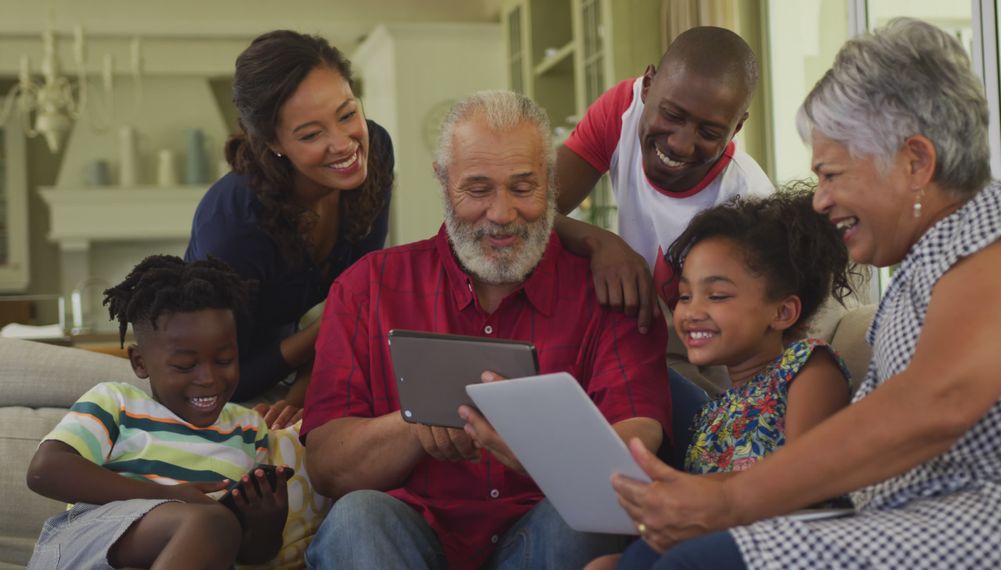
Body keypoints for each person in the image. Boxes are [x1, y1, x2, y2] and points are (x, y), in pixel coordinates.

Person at [607, 18, 1001, 569]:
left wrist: (729, 500)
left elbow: (938, 402)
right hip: (915, 516)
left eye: (832, 175)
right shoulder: (916, 276)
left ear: (916, 162)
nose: (820, 201)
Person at [300, 90, 672, 570]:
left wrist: (536, 444)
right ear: (442, 180)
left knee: (580, 524)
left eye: (523, 188)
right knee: (356, 518)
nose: (501, 214)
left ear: (552, 183)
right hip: (411, 534)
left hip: (541, 534)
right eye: (477, 190)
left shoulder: (608, 290)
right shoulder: (366, 287)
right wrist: (419, 424)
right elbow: (328, 467)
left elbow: (637, 441)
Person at [587, 187, 857, 570]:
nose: (691, 311)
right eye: (683, 296)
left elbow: (806, 483)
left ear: (781, 312)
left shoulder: (808, 367)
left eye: (716, 296)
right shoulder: (710, 413)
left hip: (788, 545)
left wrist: (699, 497)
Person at [185, 30, 394, 428]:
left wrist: (303, 392)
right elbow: (220, 378)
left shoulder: (375, 151)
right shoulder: (236, 226)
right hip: (220, 365)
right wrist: (329, 326)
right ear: (273, 142)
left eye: (348, 113)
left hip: (300, 354)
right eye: (312, 134)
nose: (344, 143)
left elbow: (357, 303)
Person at [25, 255, 290, 569]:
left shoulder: (249, 429)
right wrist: (170, 495)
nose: (209, 378)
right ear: (140, 362)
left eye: (223, 360)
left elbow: (248, 553)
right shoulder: (117, 402)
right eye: (184, 365)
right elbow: (45, 470)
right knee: (212, 522)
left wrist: (268, 522)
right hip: (88, 545)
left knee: (219, 528)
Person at [555, 26, 775, 392]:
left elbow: (762, 350)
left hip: (715, 381)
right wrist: (601, 242)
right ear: (647, 86)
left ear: (736, 127)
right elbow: (526, 212)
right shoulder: (621, 112)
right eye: (672, 115)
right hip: (644, 349)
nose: (681, 144)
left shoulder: (748, 203)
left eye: (708, 132)